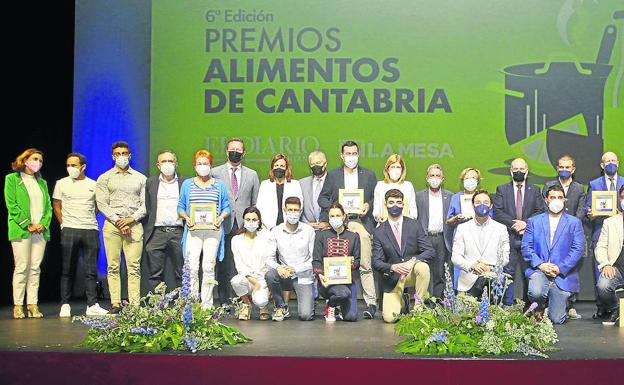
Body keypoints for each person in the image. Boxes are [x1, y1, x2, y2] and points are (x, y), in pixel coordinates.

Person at [318, 141, 378, 319]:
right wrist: (336, 209)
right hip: (339, 224)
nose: (351, 156)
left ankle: (371, 303)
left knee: (365, 264)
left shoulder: (368, 175)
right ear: (341, 155)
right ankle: (336, 299)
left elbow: (377, 198)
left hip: (360, 223)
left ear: (358, 154)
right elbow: (322, 199)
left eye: (354, 153)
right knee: (337, 261)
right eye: (348, 153)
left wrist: (368, 204)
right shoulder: (333, 175)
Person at [53, 152, 107, 317]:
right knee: (67, 268)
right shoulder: (61, 184)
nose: (70, 168)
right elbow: (56, 204)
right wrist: (63, 223)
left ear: (83, 166)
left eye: (74, 165)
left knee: (91, 270)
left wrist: (88, 217)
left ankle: (92, 304)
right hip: (69, 229)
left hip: (90, 229)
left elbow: (98, 205)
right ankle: (65, 304)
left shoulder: (94, 184)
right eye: (68, 165)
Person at [96, 141, 146, 314]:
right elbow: (102, 203)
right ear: (113, 156)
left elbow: (146, 205)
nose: (121, 157)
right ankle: (115, 303)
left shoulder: (141, 178)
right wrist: (119, 221)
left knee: (134, 266)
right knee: (113, 266)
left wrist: (131, 219)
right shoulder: (105, 178)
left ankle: (134, 305)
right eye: (118, 154)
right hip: (112, 226)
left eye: (124, 153)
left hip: (135, 225)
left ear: (130, 155)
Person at [522, 185, 585, 324]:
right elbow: (526, 247)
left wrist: (560, 268)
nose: (556, 200)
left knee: (556, 319)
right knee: (536, 292)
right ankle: (540, 307)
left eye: (560, 197)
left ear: (564, 200)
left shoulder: (574, 222)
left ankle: (560, 305)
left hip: (562, 274)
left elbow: (578, 249)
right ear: (546, 200)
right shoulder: (534, 221)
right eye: (553, 197)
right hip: (539, 270)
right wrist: (541, 265)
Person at [178, 149, 231, 309]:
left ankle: (207, 305)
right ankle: (192, 304)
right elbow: (180, 206)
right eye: (199, 163)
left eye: (205, 163)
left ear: (211, 165)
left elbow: (226, 207)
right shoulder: (187, 184)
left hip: (213, 232)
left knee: (208, 267)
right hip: (193, 231)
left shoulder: (219, 185)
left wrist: (221, 218)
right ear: (194, 165)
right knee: (192, 267)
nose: (202, 166)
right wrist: (186, 218)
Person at [210, 138, 260, 306]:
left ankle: (243, 300)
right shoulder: (215, 173)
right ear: (226, 151)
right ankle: (225, 301)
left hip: (243, 226)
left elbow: (255, 203)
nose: (235, 152)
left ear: (243, 153)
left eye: (239, 149)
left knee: (242, 264)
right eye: (232, 149)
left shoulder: (252, 174)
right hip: (222, 224)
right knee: (223, 265)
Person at [372, 189, 434, 323]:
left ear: (403, 205)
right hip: (394, 277)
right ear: (385, 204)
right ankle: (403, 301)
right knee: (389, 318)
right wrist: (393, 267)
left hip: (412, 271)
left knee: (423, 267)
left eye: (398, 203)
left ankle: (418, 309)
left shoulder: (414, 225)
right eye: (391, 202)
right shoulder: (379, 232)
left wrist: (413, 261)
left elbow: (429, 251)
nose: (395, 206)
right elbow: (376, 262)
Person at [4, 148, 52, 319]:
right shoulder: (12, 179)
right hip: (22, 230)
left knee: (35, 268)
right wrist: (28, 224)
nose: (38, 162)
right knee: (22, 267)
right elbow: (12, 205)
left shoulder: (43, 183)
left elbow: (48, 208)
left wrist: (43, 224)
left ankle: (32, 304)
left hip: (40, 231)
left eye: (40, 160)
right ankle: (18, 305)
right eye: (35, 159)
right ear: (24, 160)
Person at [493, 158, 544, 306]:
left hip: (528, 239)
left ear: (527, 171)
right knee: (507, 273)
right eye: (515, 169)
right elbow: (498, 212)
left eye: (522, 169)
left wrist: (525, 224)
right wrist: (514, 224)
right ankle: (507, 304)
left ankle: (529, 306)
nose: (519, 172)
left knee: (529, 272)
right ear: (510, 171)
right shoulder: (502, 189)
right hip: (509, 236)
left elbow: (540, 211)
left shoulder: (535, 190)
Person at [542, 154, 586, 319]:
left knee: (571, 267)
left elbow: (581, 210)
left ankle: (571, 304)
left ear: (573, 169)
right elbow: (542, 207)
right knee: (550, 265)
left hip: (572, 232)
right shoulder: (549, 185)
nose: (564, 170)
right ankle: (549, 303)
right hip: (552, 233)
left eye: (568, 167)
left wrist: (571, 226)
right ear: (557, 168)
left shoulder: (579, 188)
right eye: (561, 167)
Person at [585, 151, 624, 318]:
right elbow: (587, 209)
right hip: (603, 231)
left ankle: (618, 310)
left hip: (619, 227)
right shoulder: (594, 184)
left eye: (613, 160)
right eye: (607, 161)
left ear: (618, 163)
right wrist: (591, 214)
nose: (610, 163)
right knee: (603, 275)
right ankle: (604, 307)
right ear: (602, 165)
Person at [451, 190, 510, 297]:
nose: (482, 205)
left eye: (486, 202)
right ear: (473, 205)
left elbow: (505, 258)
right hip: (467, 283)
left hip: (493, 285)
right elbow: (455, 257)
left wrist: (490, 268)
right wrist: (472, 265)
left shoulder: (501, 229)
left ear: (491, 205)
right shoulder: (462, 228)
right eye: (478, 202)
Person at [265, 196, 315, 321]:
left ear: (300, 211)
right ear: (284, 210)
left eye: (296, 210)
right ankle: (281, 306)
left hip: (303, 275)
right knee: (270, 275)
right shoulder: (276, 231)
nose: (293, 213)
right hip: (284, 275)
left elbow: (314, 259)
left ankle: (309, 301)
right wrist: (279, 267)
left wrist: (295, 269)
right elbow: (268, 258)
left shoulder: (309, 231)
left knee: (306, 315)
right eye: (290, 210)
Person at [143, 150, 186, 293]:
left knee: (182, 271)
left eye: (170, 161)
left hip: (178, 232)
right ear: (158, 165)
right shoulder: (151, 182)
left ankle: (183, 304)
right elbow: (148, 207)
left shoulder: (184, 182)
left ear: (176, 164)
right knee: (155, 273)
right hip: (156, 232)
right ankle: (158, 305)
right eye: (164, 161)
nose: (167, 164)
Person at [313, 203, 361, 322]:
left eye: (338, 215)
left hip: (347, 281)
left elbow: (358, 261)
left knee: (351, 317)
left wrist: (352, 262)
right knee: (343, 293)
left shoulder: (353, 236)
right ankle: (331, 304)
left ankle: (339, 305)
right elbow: (316, 260)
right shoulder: (321, 235)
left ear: (344, 216)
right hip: (327, 282)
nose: (335, 218)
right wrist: (320, 275)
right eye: (332, 216)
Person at [416, 164, 454, 299]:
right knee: (424, 271)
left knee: (440, 272)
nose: (435, 178)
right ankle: (424, 300)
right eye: (432, 175)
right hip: (425, 238)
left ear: (443, 178)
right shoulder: (419, 196)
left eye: (438, 176)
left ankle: (437, 300)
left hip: (442, 238)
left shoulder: (450, 196)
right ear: (427, 178)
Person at [446, 167, 486, 288]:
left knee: (479, 269)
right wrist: (457, 218)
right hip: (460, 237)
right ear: (462, 180)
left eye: (473, 178)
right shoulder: (455, 197)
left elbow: (491, 217)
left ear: (478, 180)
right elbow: (449, 220)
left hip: (480, 238)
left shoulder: (483, 197)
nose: (470, 180)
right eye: (467, 178)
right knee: (460, 268)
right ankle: (459, 296)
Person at [230, 206, 271, 321]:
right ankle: (247, 304)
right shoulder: (236, 240)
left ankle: (263, 307)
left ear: (259, 221)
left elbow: (270, 260)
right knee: (236, 281)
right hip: (246, 278)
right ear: (243, 220)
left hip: (262, 278)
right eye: (248, 219)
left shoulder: (266, 238)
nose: (251, 222)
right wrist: (253, 281)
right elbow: (239, 265)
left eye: (254, 220)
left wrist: (267, 285)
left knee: (261, 300)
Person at [594, 185, 624, 326]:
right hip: (617, 268)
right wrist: (606, 264)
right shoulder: (610, 222)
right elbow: (600, 247)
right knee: (603, 285)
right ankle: (616, 309)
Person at [255, 154, 303, 230]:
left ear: (286, 168)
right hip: (268, 227)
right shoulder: (265, 184)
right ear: (272, 168)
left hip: (290, 226)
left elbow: (299, 206)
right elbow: (259, 207)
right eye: (276, 165)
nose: (279, 168)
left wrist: (291, 223)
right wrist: (268, 226)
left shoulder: (295, 184)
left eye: (282, 166)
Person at [372, 154, 417, 223]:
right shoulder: (380, 185)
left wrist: (409, 222)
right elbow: (376, 209)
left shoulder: (408, 186)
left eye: (398, 167)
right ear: (387, 169)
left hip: (405, 228)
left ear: (402, 170)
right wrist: (378, 217)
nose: (395, 170)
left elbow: (413, 210)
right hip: (384, 227)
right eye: (392, 167)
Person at [300, 150, 329, 230]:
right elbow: (299, 207)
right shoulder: (302, 183)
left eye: (318, 163)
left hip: (329, 229)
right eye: (312, 164)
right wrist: (306, 224)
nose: (315, 166)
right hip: (308, 228)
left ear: (325, 164)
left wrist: (328, 223)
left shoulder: (334, 181)